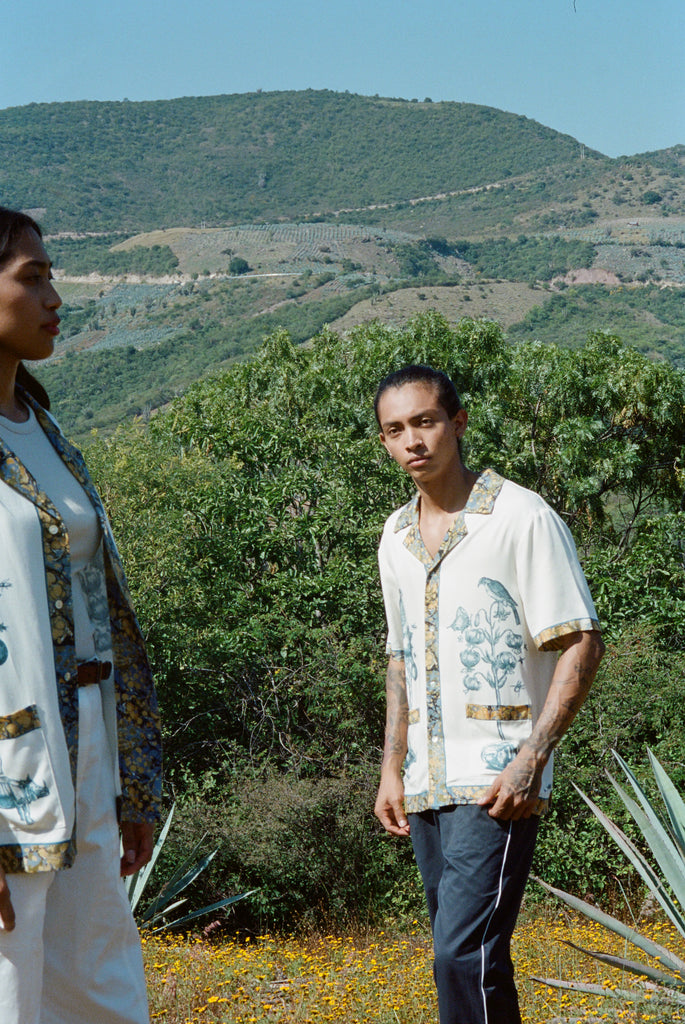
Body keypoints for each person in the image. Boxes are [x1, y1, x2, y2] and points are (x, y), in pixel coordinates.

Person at [373, 364, 604, 1024]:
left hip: (498, 780)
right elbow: (399, 657)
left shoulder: (519, 516)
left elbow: (581, 642)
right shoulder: (395, 536)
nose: (413, 440)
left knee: (461, 955)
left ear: (458, 423)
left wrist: (532, 759)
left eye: (425, 422)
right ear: (384, 441)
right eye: (395, 429)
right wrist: (391, 768)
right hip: (425, 781)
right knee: (474, 960)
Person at [0, 206, 162, 1024]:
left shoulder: (45, 429)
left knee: (97, 983)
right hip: (11, 765)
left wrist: (129, 778)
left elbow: (102, 604)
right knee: (10, 979)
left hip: (87, 741)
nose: (54, 297)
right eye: (31, 278)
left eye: (50, 276)